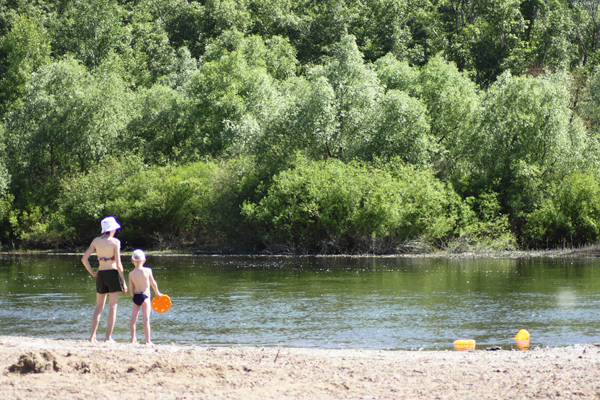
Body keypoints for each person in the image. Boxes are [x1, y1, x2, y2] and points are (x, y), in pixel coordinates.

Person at [81, 216, 127, 343]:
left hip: (101, 274)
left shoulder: (96, 241)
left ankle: (92, 337)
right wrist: (123, 282)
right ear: (112, 229)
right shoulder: (115, 242)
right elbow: (118, 264)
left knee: (98, 307)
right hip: (112, 274)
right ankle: (108, 338)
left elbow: (84, 259)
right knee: (112, 307)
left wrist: (93, 273)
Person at [128, 249, 162, 345]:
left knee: (133, 319)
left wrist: (134, 296)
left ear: (132, 261)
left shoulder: (131, 274)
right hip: (145, 296)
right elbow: (153, 283)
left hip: (136, 296)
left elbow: (131, 289)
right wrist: (157, 293)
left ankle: (133, 339)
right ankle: (147, 341)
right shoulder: (147, 270)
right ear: (144, 260)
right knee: (146, 320)